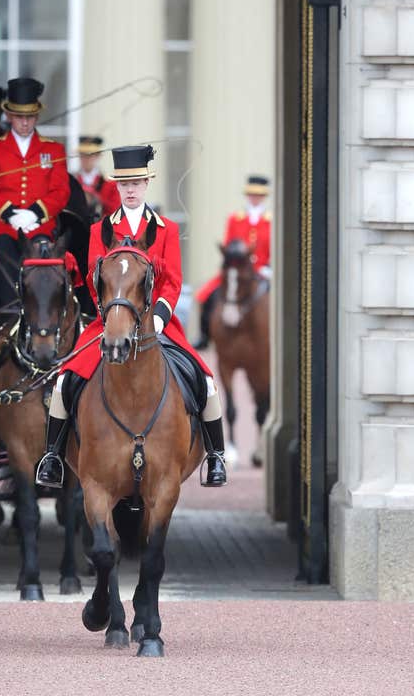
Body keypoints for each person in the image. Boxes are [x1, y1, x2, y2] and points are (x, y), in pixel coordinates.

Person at [35, 144, 228, 489]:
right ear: (117, 187)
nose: (131, 190)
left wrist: (156, 319)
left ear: (147, 183)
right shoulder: (100, 231)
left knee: (207, 382)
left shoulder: (166, 228)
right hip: (110, 321)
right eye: (124, 184)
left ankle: (215, 457)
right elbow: (96, 279)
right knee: (65, 382)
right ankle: (52, 457)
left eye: (137, 182)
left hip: (158, 324)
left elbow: (173, 283)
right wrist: (114, 316)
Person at [0, 77, 71, 306]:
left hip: (40, 224)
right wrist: (11, 215)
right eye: (19, 116)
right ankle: (8, 309)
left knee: (42, 251)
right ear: (9, 116)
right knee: (4, 247)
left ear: (37, 116)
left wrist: (33, 214)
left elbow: (60, 191)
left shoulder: (53, 149)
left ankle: (42, 311)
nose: (25, 122)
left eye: (29, 116)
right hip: (1, 225)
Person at [193, 174, 272, 349]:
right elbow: (229, 245)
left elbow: (274, 248)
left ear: (264, 196)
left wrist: (269, 268)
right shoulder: (235, 219)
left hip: (262, 272)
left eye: (258, 195)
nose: (255, 198)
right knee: (205, 295)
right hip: (237, 270)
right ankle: (205, 336)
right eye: (252, 194)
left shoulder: (271, 221)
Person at [75, 134, 119, 221]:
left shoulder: (109, 183)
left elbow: (115, 211)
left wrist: (96, 199)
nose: (86, 159)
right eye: (82, 155)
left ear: (98, 156)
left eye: (90, 155)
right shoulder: (71, 181)